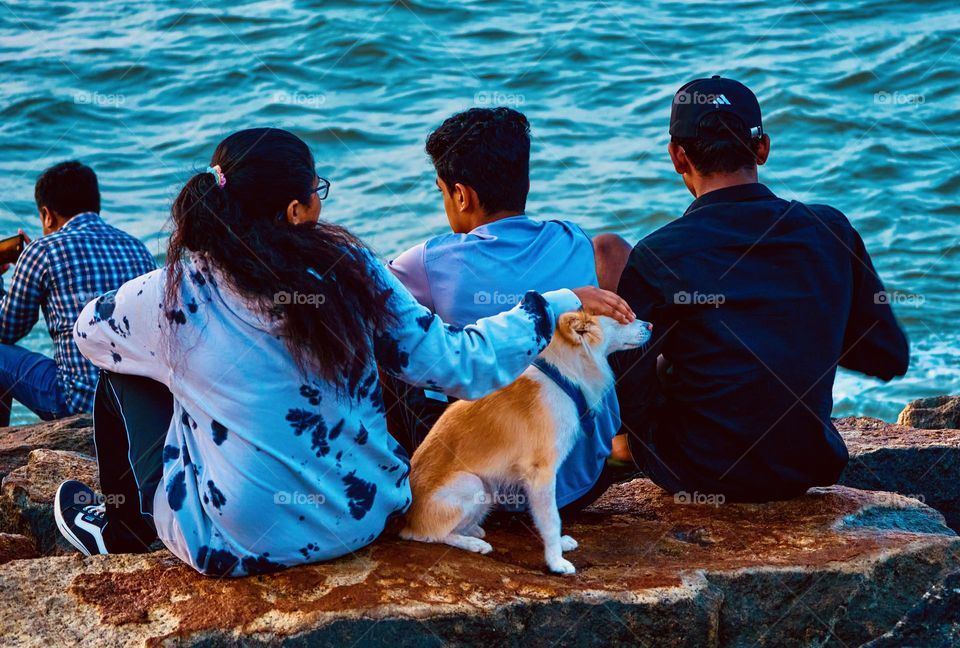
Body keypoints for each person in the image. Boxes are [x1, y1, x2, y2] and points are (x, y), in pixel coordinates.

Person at [53, 128, 634, 577]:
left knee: (123, 363)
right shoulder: (352, 270)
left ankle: (123, 527)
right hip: (364, 518)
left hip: (231, 544)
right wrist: (554, 303)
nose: (319, 205)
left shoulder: (171, 292)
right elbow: (460, 364)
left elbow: (88, 334)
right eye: (316, 193)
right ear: (296, 211)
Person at [609, 76, 909, 502]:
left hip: (698, 473)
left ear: (677, 157)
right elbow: (887, 356)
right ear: (763, 148)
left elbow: (626, 392)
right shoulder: (830, 228)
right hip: (807, 465)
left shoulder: (659, 253)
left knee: (634, 322)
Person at [386, 107, 627, 512]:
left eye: (442, 192)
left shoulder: (428, 261)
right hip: (585, 480)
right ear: (525, 181)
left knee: (390, 343)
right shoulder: (574, 239)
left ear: (461, 195)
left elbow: (366, 303)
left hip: (491, 493)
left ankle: (400, 484)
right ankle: (620, 443)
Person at [0, 161, 155, 426]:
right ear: (95, 204)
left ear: (47, 215)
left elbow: (6, 330)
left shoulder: (42, 251)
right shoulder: (138, 249)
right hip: (138, 406)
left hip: (77, 404)